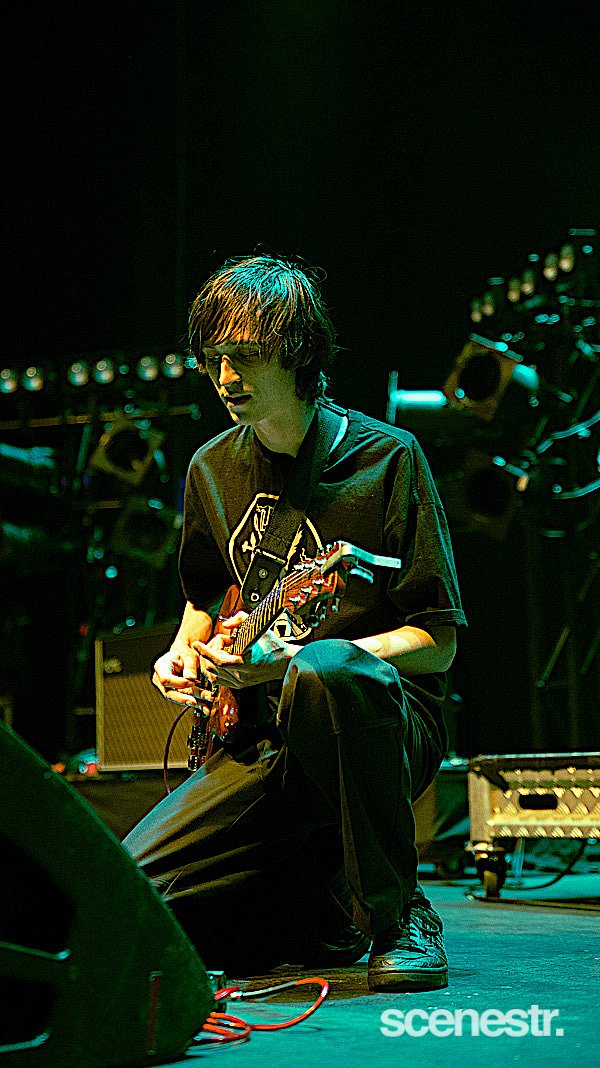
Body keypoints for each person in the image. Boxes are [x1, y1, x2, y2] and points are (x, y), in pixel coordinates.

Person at [123, 252, 467, 991]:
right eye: (212, 360)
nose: (225, 378)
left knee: (328, 669)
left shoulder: (388, 459)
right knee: (126, 901)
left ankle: (399, 914)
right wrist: (181, 656)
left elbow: (437, 644)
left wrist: (296, 662)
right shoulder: (210, 467)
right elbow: (204, 597)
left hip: (378, 728)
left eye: (244, 357)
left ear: (298, 353)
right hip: (262, 734)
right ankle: (320, 906)